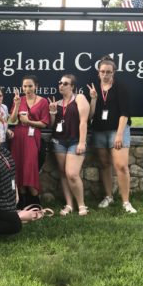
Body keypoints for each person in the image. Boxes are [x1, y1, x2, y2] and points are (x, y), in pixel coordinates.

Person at [87, 56, 137, 213]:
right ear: (98, 72)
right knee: (104, 164)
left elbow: (125, 113)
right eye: (103, 71)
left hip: (118, 130)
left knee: (121, 166)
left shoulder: (120, 87)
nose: (105, 74)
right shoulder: (94, 87)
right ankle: (108, 196)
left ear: (113, 72)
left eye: (109, 72)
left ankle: (126, 202)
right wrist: (93, 99)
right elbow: (89, 116)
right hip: (99, 131)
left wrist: (119, 135)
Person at [49, 74, 90, 216]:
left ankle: (82, 205)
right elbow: (51, 125)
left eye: (65, 83)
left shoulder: (79, 98)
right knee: (63, 174)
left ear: (72, 86)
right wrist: (53, 113)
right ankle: (69, 205)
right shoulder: (57, 103)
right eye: (60, 82)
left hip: (75, 141)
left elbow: (84, 121)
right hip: (59, 141)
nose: (61, 85)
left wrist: (82, 142)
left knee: (72, 174)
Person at [9, 75, 49, 207]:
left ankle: (34, 200)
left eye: (30, 86)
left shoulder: (43, 102)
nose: (27, 89)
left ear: (36, 86)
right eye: (25, 86)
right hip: (18, 137)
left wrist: (29, 122)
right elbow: (12, 120)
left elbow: (44, 123)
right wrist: (17, 105)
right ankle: (21, 200)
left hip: (33, 137)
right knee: (19, 166)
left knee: (30, 166)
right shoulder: (18, 100)